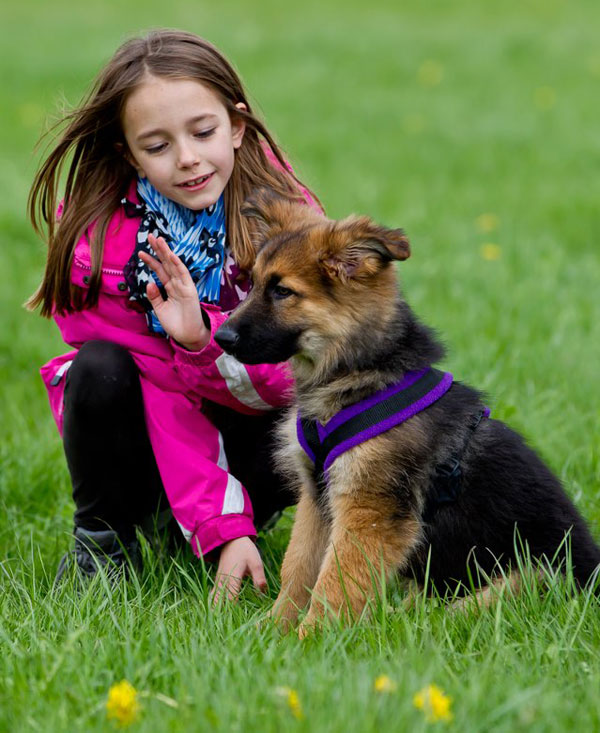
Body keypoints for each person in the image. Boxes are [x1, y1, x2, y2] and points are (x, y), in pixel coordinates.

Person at [28, 29, 322, 600]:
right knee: (100, 367)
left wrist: (205, 341)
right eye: (157, 146)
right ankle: (104, 540)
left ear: (236, 126)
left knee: (310, 410)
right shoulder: (111, 247)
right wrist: (222, 524)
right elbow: (165, 398)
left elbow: (294, 378)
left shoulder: (285, 223)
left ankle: (210, 531)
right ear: (127, 153)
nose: (188, 159)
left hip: (245, 417)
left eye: (204, 132)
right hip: (151, 440)